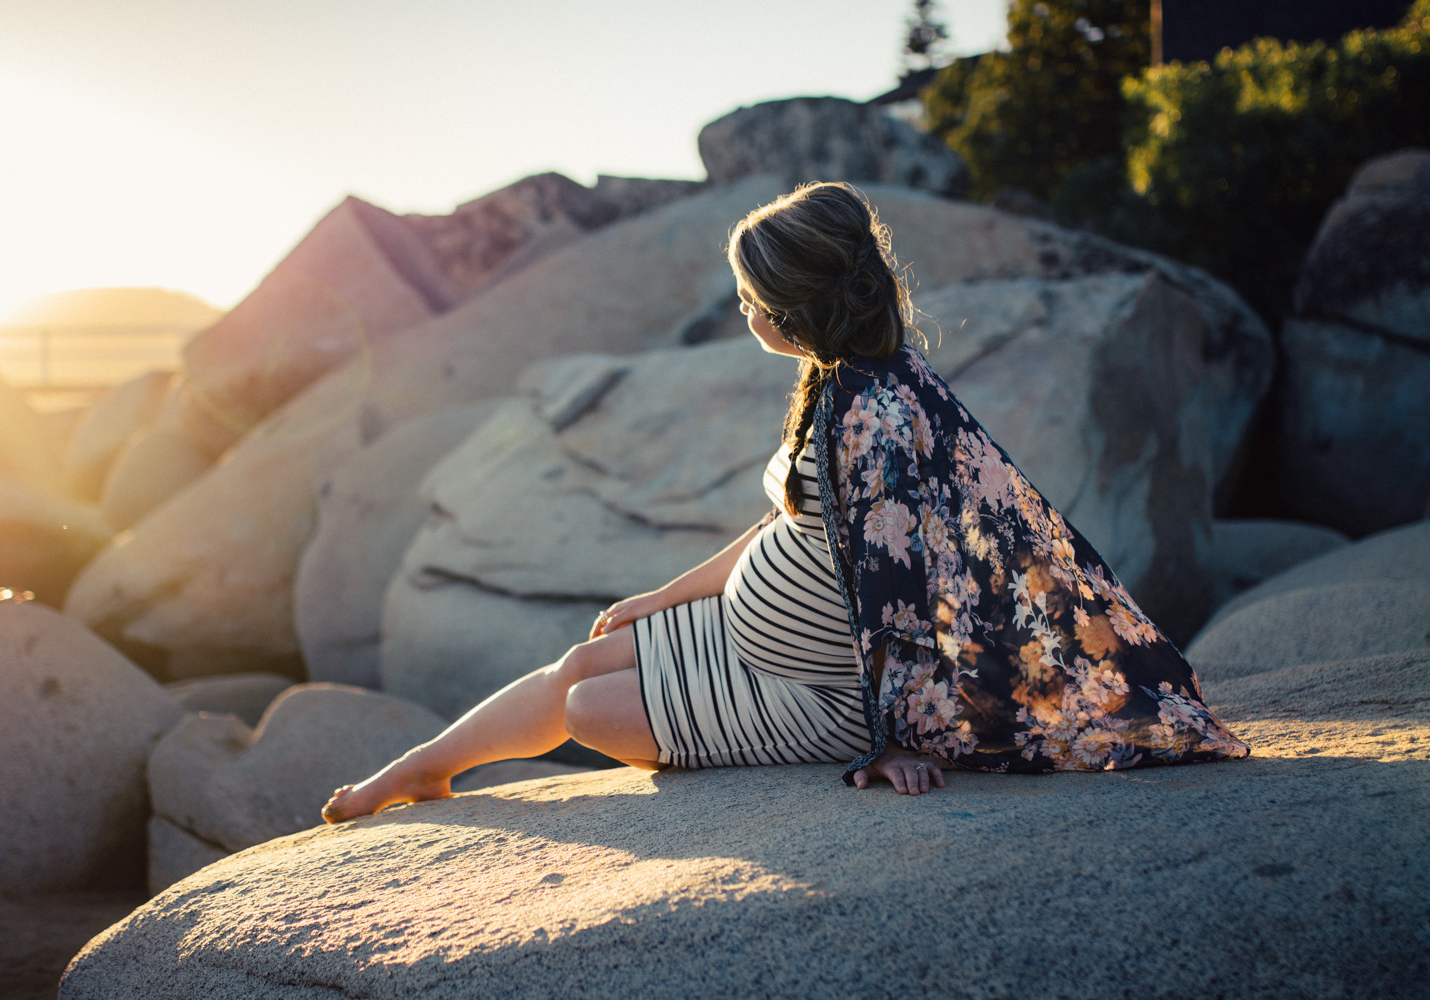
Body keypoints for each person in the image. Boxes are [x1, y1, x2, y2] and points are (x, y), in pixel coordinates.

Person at [321, 182, 1248, 823]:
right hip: (747, 639)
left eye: (751, 298)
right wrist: (667, 596)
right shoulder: (842, 378)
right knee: (583, 660)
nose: (743, 312)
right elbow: (789, 527)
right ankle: (419, 772)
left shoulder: (877, 414)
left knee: (592, 712)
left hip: (817, 691)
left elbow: (905, 591)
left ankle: (422, 769)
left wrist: (890, 742)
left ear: (796, 310)